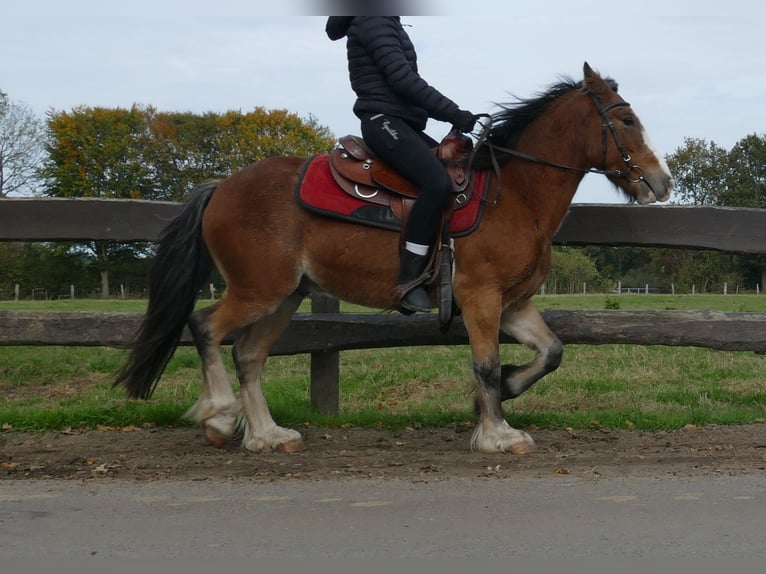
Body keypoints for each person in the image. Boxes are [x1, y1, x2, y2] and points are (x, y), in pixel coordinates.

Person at [326, 16, 478, 313]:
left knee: (455, 174)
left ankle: (447, 274)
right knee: (436, 183)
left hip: (402, 123)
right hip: (383, 121)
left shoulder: (385, 21)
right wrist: (455, 113)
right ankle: (408, 280)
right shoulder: (374, 20)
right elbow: (402, 79)